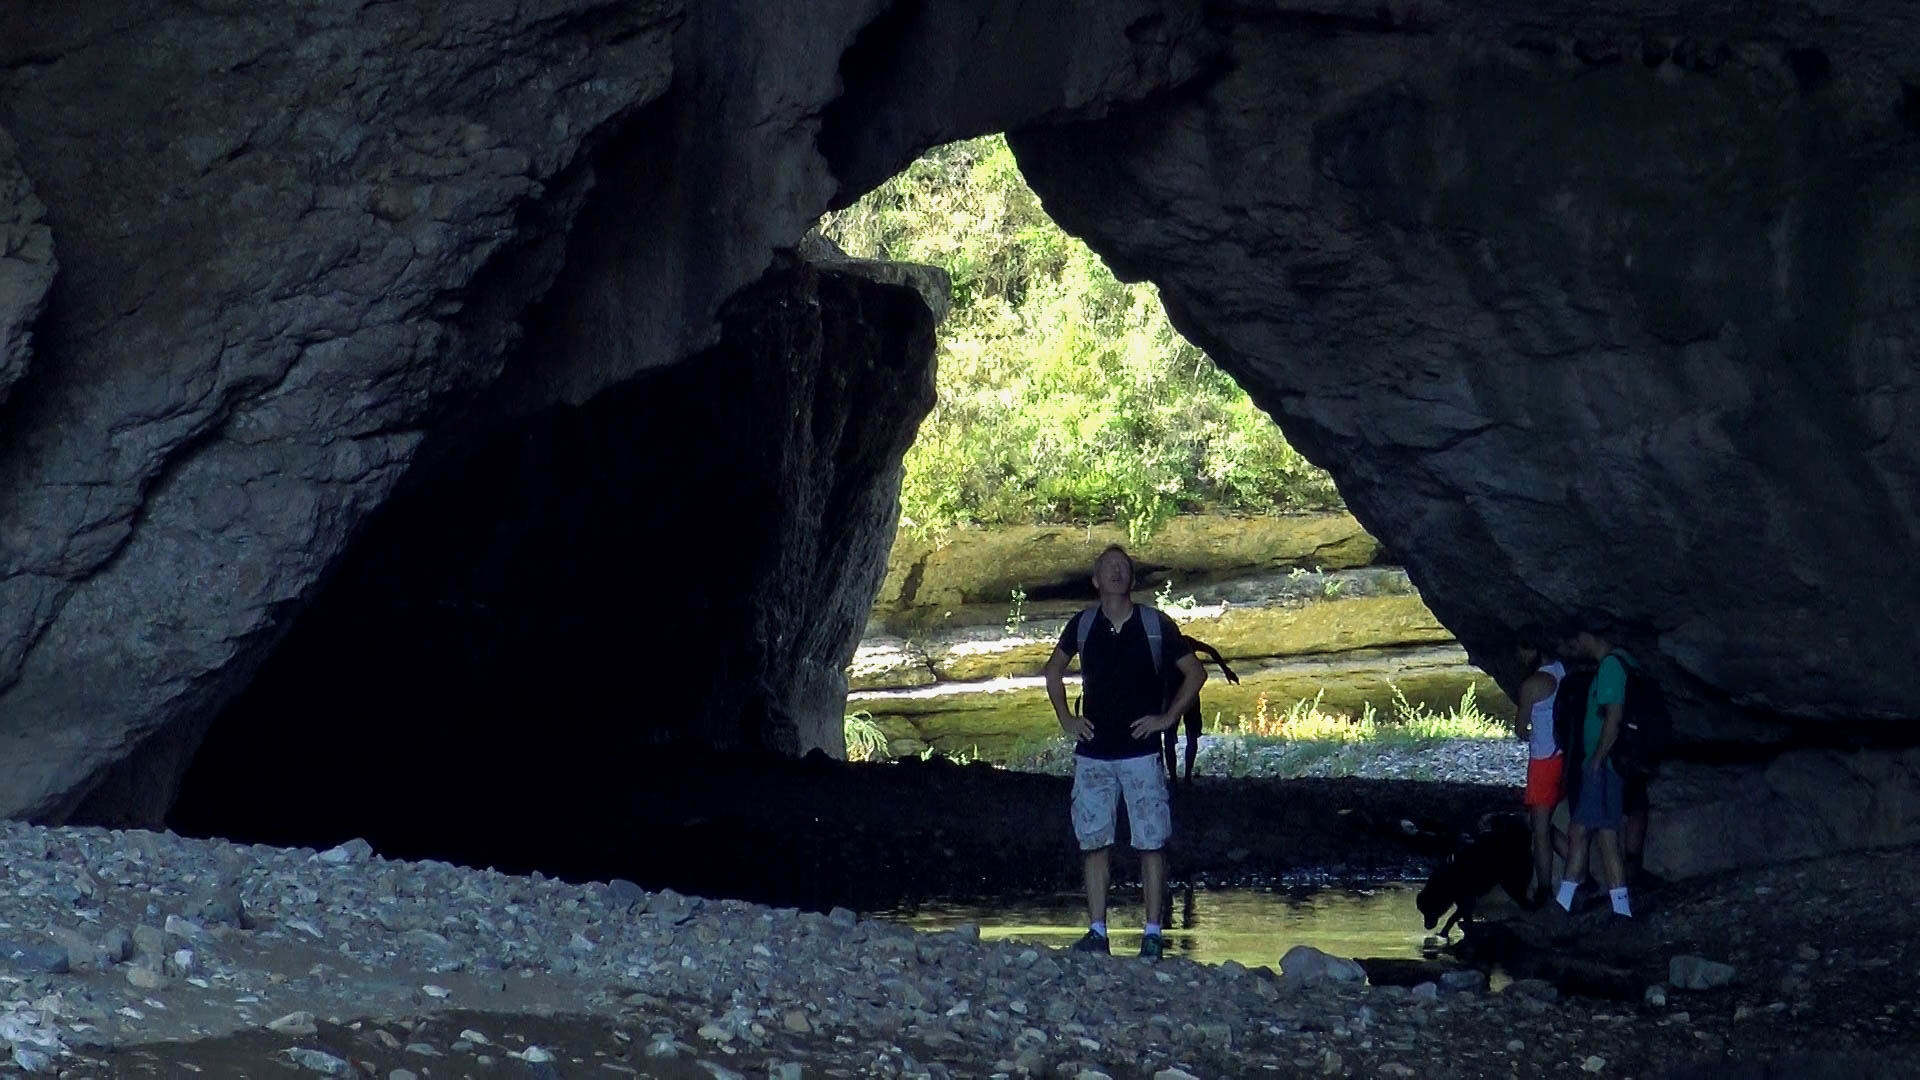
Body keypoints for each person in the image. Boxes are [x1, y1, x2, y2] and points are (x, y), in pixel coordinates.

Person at [1044, 545, 1206, 960]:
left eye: (1123, 568)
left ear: (1131, 580)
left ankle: (1152, 934)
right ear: (1096, 580)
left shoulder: (1156, 625)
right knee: (1093, 842)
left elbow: (1196, 672)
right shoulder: (1082, 626)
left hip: (1141, 753)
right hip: (1093, 753)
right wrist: (1067, 720)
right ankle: (1097, 932)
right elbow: (1053, 671)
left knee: (1151, 842)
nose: (1117, 573)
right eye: (1108, 568)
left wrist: (1167, 718)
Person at [1555, 628, 1633, 918]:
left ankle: (1562, 905)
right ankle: (1622, 910)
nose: (1575, 646)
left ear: (1590, 635)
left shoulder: (1611, 667)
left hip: (1602, 765)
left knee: (1579, 831)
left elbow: (1614, 716)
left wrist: (1597, 759)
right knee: (1607, 836)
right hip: (1609, 765)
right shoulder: (1625, 661)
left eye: (1577, 639)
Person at [1511, 637, 1565, 907]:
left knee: (1540, 830)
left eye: (1522, 651)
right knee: (1542, 823)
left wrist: (1528, 732)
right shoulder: (1562, 670)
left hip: (1543, 761)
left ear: (1534, 648)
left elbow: (1520, 728)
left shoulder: (1532, 685)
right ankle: (1583, 873)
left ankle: (1545, 888)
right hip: (1565, 756)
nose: (1520, 657)